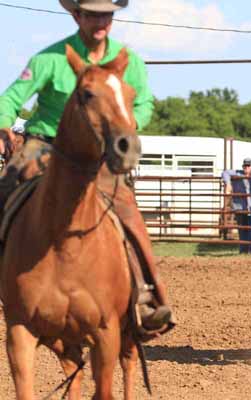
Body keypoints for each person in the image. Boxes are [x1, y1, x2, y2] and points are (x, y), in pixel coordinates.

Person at [0, 0, 173, 332]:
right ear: (76, 15)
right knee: (5, 189)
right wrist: (5, 124)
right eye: (92, 13)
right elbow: (10, 97)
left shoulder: (128, 61)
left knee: (126, 210)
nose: (100, 21)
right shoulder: (49, 59)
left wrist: (129, 123)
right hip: (44, 143)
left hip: (100, 151)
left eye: (106, 14)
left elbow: (145, 101)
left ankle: (149, 297)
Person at [222, 158, 251, 254]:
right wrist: (228, 183)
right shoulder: (237, 174)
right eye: (245, 166)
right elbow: (225, 173)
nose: (246, 168)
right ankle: (243, 248)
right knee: (242, 227)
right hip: (240, 207)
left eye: (248, 166)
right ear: (242, 167)